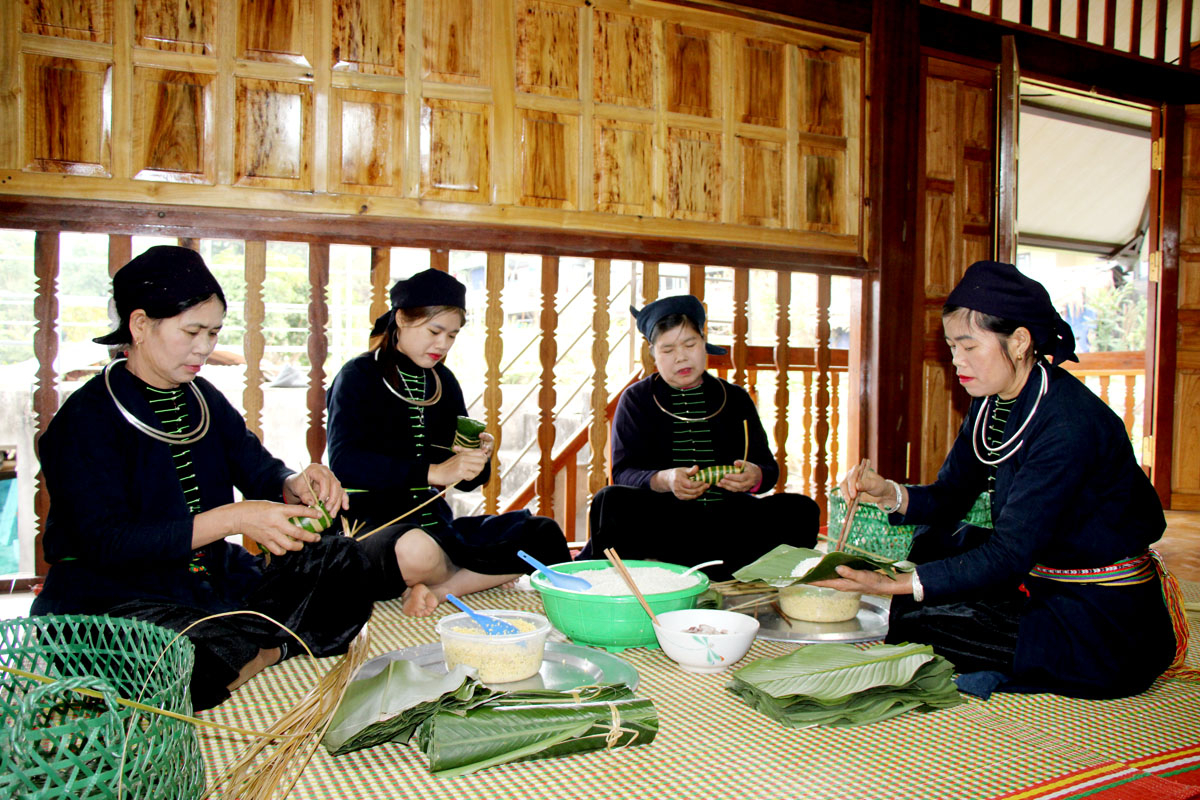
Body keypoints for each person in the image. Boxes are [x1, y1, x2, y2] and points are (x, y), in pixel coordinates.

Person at [816, 260, 1183, 700]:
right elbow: (951, 496)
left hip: (1099, 614)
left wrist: (889, 584)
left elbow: (1009, 553)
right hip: (1042, 574)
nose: (957, 361)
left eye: (969, 347)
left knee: (919, 620)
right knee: (936, 549)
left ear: (1021, 340)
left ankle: (1063, 655)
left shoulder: (1068, 424)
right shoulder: (991, 403)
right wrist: (889, 492)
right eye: (952, 347)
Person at [31, 246, 373, 711]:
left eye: (213, 332)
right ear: (139, 325)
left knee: (345, 562)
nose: (205, 348)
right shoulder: (85, 419)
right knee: (168, 656)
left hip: (213, 580)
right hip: (117, 598)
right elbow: (106, 542)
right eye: (192, 331)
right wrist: (231, 519)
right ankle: (266, 647)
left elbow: (258, 468)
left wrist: (296, 483)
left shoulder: (203, 397)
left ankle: (252, 650)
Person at [326, 269, 570, 616]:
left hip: (437, 526)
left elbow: (466, 483)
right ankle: (474, 575)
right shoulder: (358, 376)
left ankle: (440, 591)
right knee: (415, 552)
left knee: (541, 532)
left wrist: (476, 460)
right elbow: (344, 462)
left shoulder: (443, 381)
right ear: (401, 319)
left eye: (452, 335)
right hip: (373, 525)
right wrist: (433, 472)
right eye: (434, 331)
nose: (442, 344)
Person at [579, 295, 820, 580]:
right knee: (612, 501)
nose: (681, 357)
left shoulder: (735, 398)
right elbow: (623, 473)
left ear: (703, 344)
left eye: (690, 344)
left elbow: (768, 470)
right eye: (668, 349)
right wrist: (665, 479)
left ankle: (731, 570)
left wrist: (754, 476)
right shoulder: (637, 399)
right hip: (667, 527)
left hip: (730, 523)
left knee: (802, 509)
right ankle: (668, 573)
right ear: (653, 352)